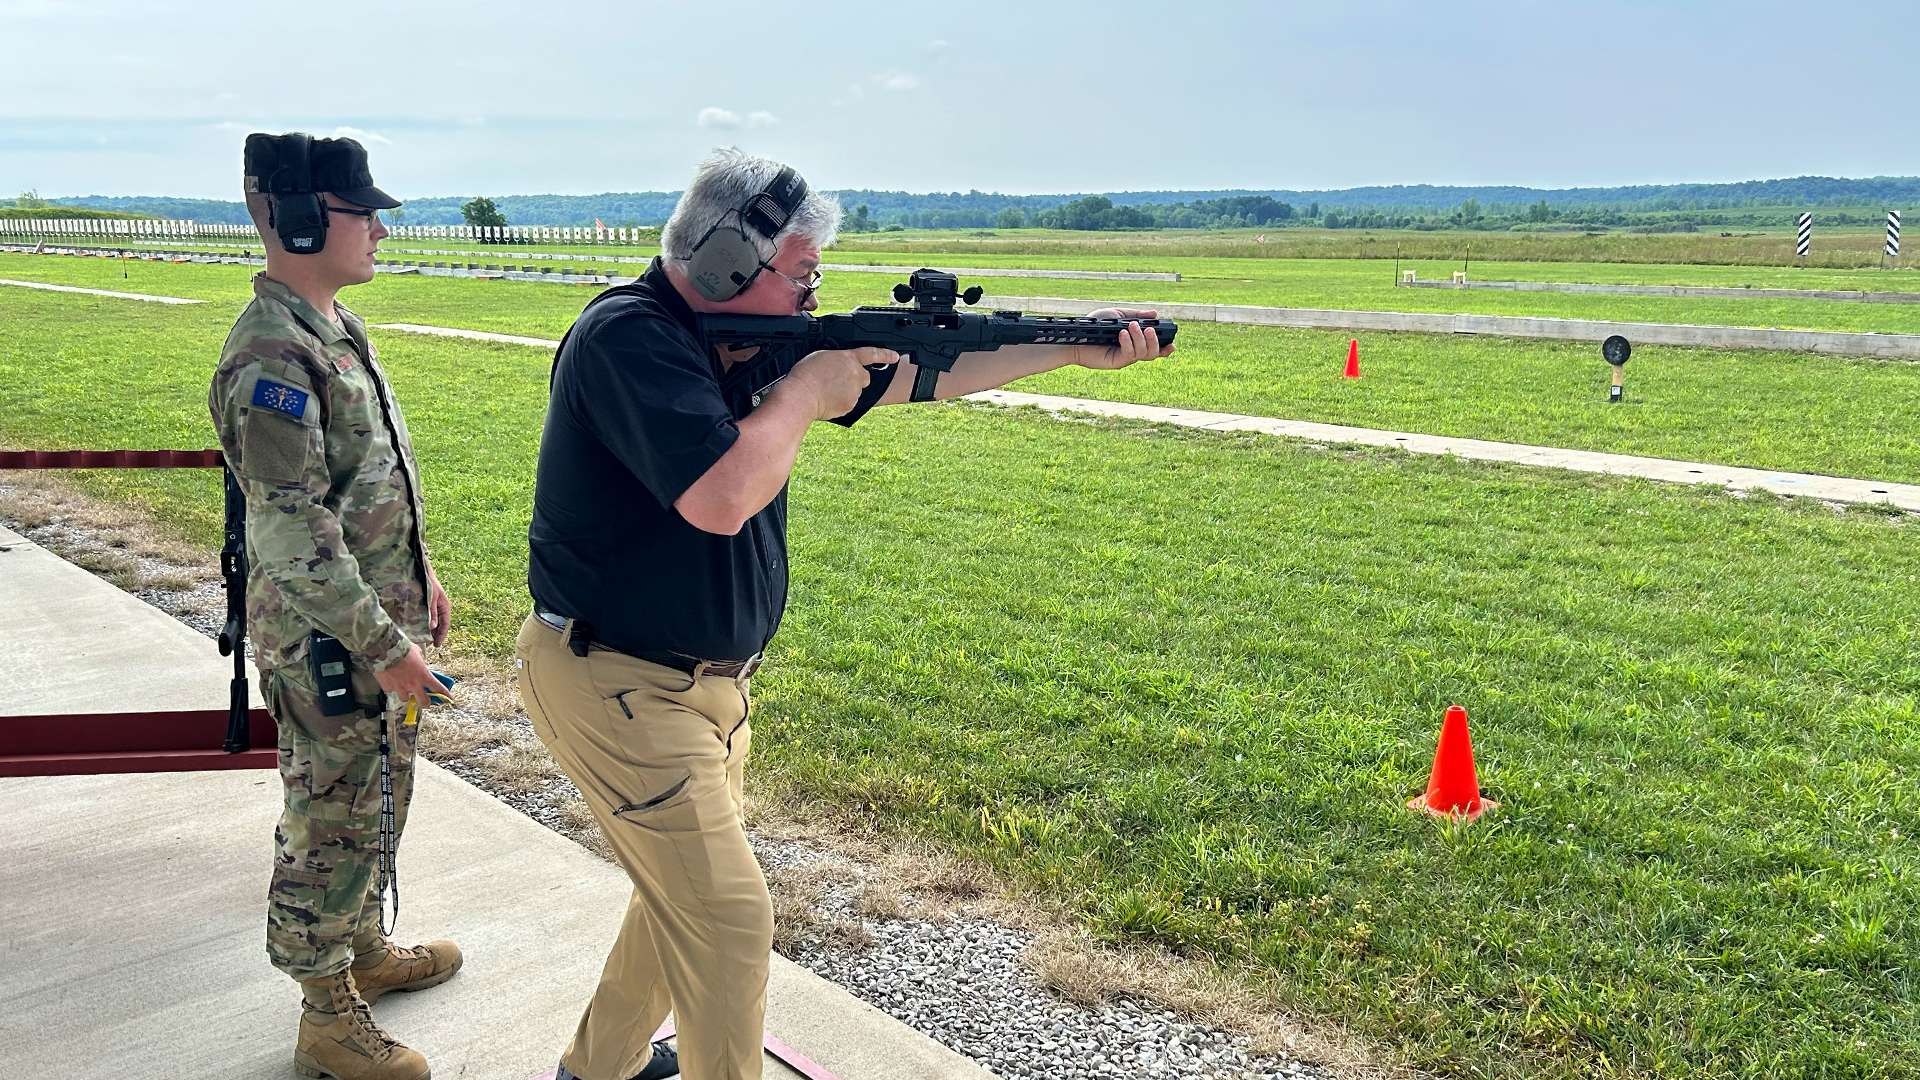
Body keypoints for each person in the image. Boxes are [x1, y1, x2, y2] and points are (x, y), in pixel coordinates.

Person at [517, 147, 1172, 1080]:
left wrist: (1075, 342)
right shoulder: (631, 338)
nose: (812, 297)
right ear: (725, 266)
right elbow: (720, 494)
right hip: (616, 682)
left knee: (682, 905)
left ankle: (600, 1068)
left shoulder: (747, 338)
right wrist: (802, 394)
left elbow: (925, 372)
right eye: (801, 274)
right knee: (726, 919)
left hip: (698, 690)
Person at [209, 132, 461, 1080]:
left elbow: (363, 484)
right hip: (332, 641)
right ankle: (325, 1014)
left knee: (374, 799)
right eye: (366, 214)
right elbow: (291, 531)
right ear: (305, 217)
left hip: (372, 622)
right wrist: (383, 644)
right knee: (330, 819)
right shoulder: (271, 353)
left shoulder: (331, 328)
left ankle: (360, 954)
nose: (382, 231)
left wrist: (418, 573)